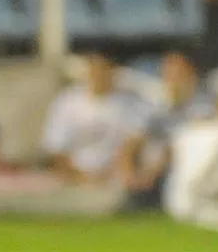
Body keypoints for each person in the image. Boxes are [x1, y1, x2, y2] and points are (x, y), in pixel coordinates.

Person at [119, 52, 215, 210]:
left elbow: (180, 146)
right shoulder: (154, 103)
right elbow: (132, 141)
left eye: (178, 74)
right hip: (150, 172)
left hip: (186, 173)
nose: (172, 80)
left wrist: (151, 173)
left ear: (191, 76)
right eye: (168, 74)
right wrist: (128, 173)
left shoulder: (204, 106)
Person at [40, 53, 148, 184]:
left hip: (113, 177)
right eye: (94, 69)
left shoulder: (129, 103)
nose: (99, 75)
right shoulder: (67, 101)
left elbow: (132, 146)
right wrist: (81, 176)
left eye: (104, 68)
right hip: (73, 178)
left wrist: (114, 173)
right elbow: (56, 149)